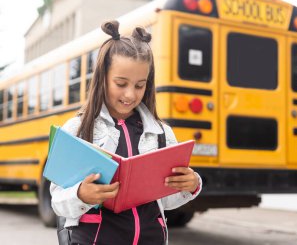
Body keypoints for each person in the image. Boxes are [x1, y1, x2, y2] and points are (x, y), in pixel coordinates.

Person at [50, 20, 202, 245]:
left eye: (140, 85)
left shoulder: (161, 133)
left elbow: (166, 201)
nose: (130, 94)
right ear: (102, 78)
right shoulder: (77, 129)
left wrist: (191, 185)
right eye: (121, 83)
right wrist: (81, 195)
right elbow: (57, 200)